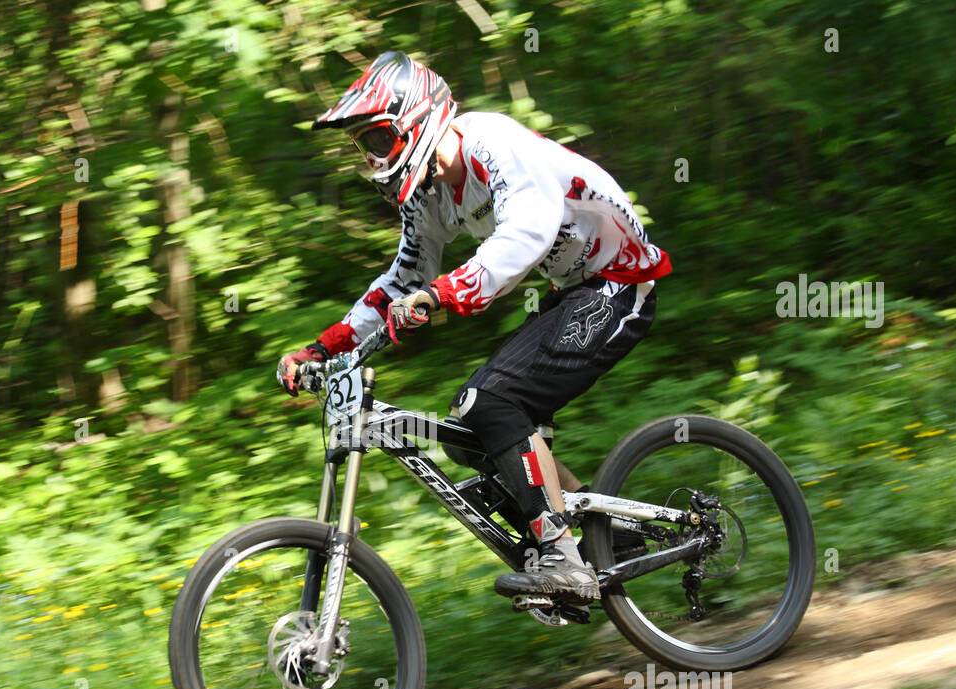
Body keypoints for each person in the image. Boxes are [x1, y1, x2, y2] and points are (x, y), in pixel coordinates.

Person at [277, 51, 671, 606]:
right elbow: (403, 277)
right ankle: (610, 538)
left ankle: (561, 559)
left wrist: (445, 293)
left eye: (379, 140)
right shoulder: (428, 196)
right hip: (574, 290)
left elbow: (528, 232)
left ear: (415, 121)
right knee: (472, 432)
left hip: (621, 282)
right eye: (363, 146)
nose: (372, 158)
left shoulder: (491, 142)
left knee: (489, 402)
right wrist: (324, 347)